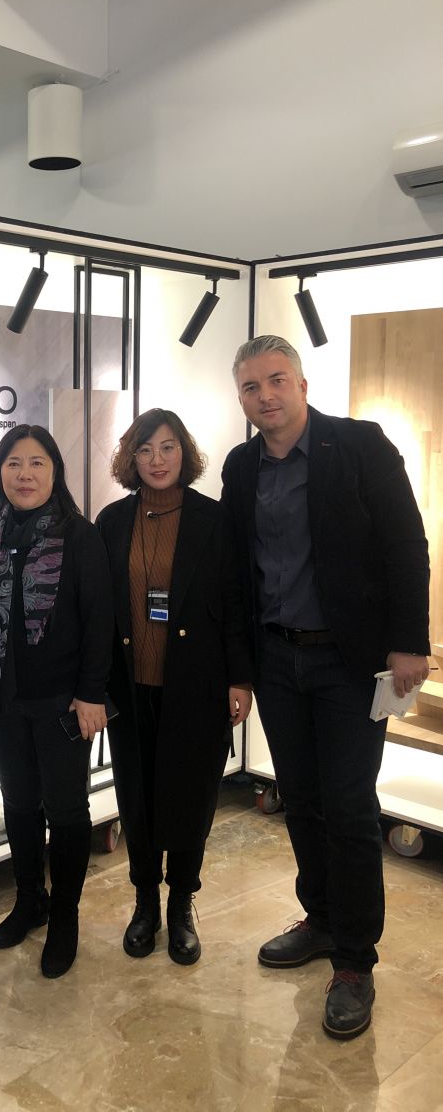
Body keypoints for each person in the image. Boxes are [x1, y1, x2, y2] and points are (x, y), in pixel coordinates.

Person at [221, 334, 430, 1040]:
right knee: (302, 800)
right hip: (278, 660)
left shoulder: (360, 446)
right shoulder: (242, 466)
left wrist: (410, 642)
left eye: (276, 379)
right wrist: (240, 666)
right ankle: (321, 918)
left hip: (349, 663)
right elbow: (236, 570)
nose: (266, 396)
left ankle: (355, 962)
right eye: (251, 387)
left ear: (302, 383)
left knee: (349, 808)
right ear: (241, 399)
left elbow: (405, 544)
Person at [96, 410, 253, 967]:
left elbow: (235, 602)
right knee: (137, 797)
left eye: (167, 447)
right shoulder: (112, 520)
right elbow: (99, 610)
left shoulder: (214, 519)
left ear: (184, 452)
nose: (157, 460)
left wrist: (240, 678)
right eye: (145, 450)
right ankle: (145, 902)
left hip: (197, 684)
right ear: (131, 459)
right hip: (130, 685)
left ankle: (181, 903)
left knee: (191, 796)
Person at [0, 426, 113, 979]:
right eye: (13, 463)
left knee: (67, 810)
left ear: (55, 472)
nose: (24, 474)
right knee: (20, 804)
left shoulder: (80, 535)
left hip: (62, 703)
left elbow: (99, 620)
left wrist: (91, 693)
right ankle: (30, 900)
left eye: (36, 463)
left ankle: (65, 917)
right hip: (4, 698)